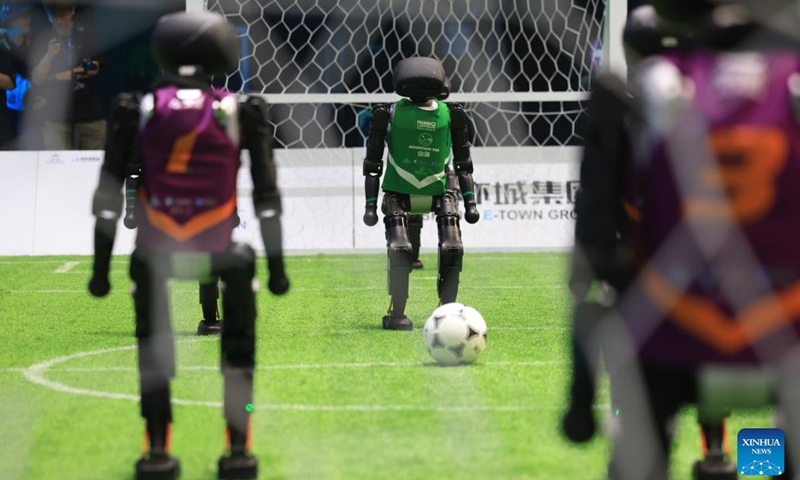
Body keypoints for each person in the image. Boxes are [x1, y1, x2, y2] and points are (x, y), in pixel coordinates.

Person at [562, 1, 800, 479]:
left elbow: (597, 226)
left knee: (640, 413)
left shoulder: (647, 90)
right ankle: (756, 462)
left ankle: (638, 439)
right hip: (786, 317)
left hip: (671, 320)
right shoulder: (792, 83)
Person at [87, 11, 289, 480]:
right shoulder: (241, 108)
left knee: (153, 353)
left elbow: (107, 196)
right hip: (221, 247)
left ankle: (157, 450)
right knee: (238, 351)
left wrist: (100, 270)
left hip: (154, 250)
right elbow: (267, 196)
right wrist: (277, 268)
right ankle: (238, 447)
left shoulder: (137, 108)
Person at [362, 56, 479, 330]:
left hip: (440, 188)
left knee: (453, 247)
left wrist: (470, 201)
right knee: (399, 248)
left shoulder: (451, 114)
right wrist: (370, 204)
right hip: (397, 190)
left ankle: (447, 311)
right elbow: (373, 163)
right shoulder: (388, 113)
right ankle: (397, 312)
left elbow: (463, 162)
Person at [31, 0, 105, 150]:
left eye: (63, 15)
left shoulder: (85, 33)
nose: (59, 21)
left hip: (88, 113)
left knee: (92, 167)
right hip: (56, 118)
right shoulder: (43, 39)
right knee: (58, 167)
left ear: (72, 11)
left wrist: (58, 76)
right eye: (54, 16)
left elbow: (94, 67)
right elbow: (37, 79)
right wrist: (48, 56)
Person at [0, 2, 34, 149]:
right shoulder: (4, 43)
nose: (28, 20)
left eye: (28, 16)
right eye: (23, 17)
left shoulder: (36, 43)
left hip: (26, 114)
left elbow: (10, 81)